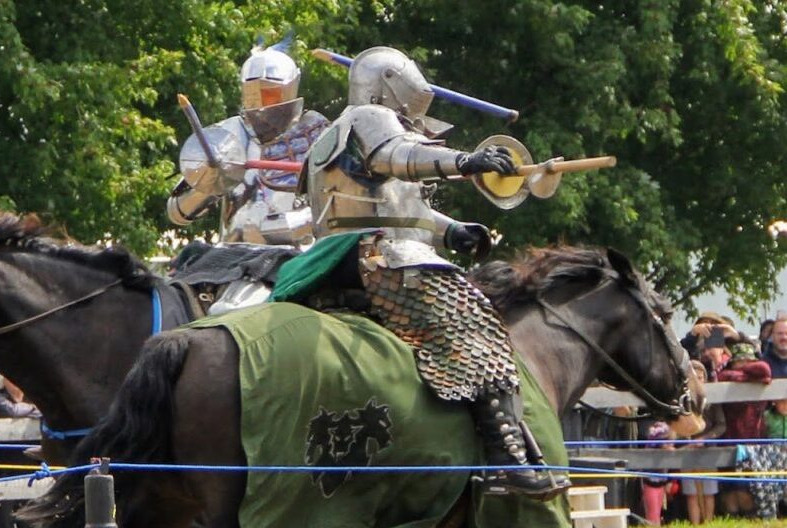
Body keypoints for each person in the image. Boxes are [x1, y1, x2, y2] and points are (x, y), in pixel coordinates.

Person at [283, 46, 566, 498]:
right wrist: (466, 162)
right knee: (479, 334)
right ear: (390, 87)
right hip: (381, 259)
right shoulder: (369, 118)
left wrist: (453, 231)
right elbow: (400, 156)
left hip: (336, 259)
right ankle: (507, 462)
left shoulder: (328, 136)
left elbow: (396, 207)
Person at [167, 40, 328, 249]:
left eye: (268, 92)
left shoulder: (319, 134)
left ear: (290, 88)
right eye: (253, 93)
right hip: (231, 257)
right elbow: (177, 211)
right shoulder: (227, 135)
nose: (260, 102)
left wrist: (296, 223)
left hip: (298, 256)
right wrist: (209, 181)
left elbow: (336, 204)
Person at [0, 375, 41, 528]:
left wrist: (29, 409)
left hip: (30, 468)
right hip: (3, 468)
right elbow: (9, 410)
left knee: (32, 517)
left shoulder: (32, 396)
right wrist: (33, 410)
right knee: (4, 520)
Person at [717, 341, 771, 516]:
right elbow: (723, 376)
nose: (745, 364)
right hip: (730, 438)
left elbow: (764, 370)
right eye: (741, 361)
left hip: (755, 441)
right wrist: (745, 376)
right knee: (731, 487)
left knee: (751, 487)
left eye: (749, 361)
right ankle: (732, 520)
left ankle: (751, 518)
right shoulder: (728, 375)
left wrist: (744, 373)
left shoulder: (758, 371)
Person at [680, 360, 725, 524]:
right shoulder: (681, 400)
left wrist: (704, 439)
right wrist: (687, 439)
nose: (697, 381)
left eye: (700, 377)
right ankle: (695, 525)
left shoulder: (713, 401)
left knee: (709, 492)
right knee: (691, 493)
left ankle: (709, 525)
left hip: (708, 450)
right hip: (687, 450)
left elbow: (721, 425)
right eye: (693, 378)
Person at [641, 420, 675, 525]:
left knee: (658, 510)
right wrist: (662, 446)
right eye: (667, 441)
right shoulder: (652, 449)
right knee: (652, 512)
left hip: (661, 482)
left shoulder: (668, 452)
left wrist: (669, 480)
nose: (670, 445)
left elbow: (671, 465)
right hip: (650, 481)